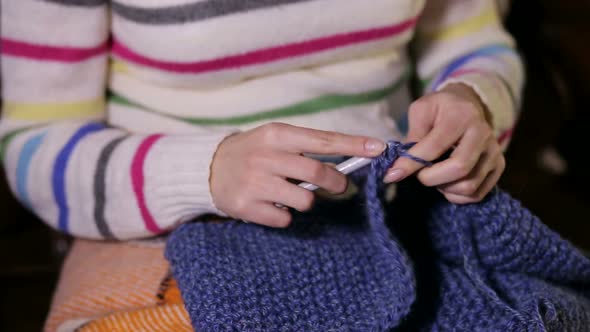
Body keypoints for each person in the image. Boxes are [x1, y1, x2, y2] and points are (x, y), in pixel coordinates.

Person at [0, 0, 523, 330]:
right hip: (158, 221)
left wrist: (473, 103)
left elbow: (472, 42)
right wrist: (204, 172)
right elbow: (36, 144)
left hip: (392, 214)